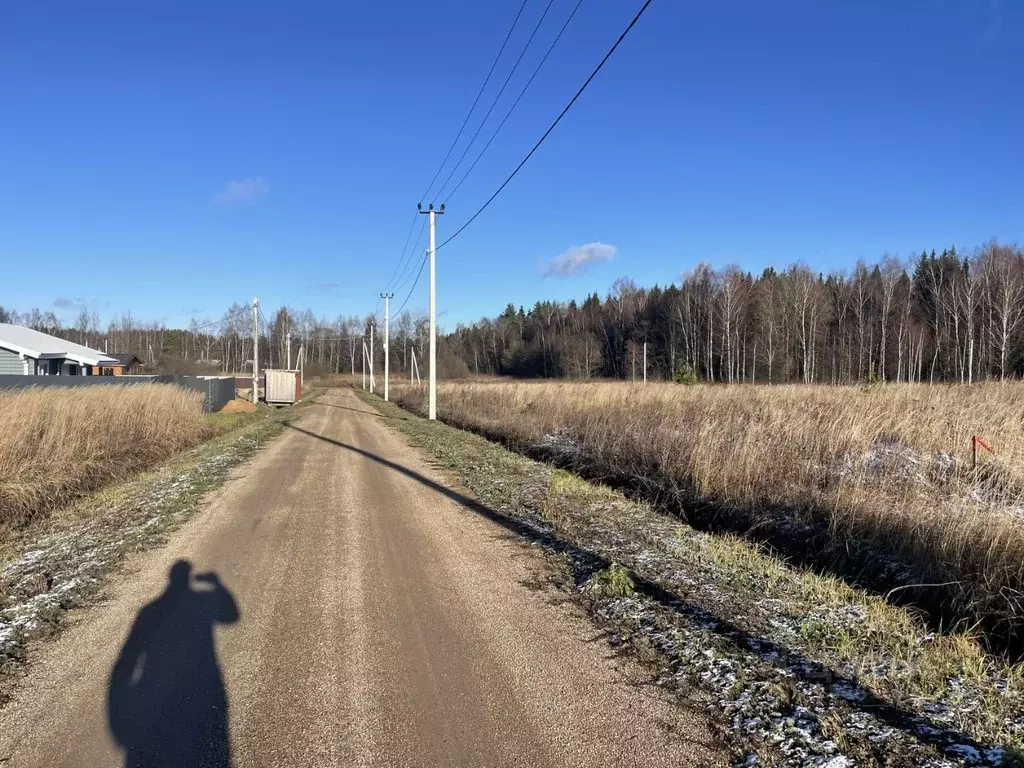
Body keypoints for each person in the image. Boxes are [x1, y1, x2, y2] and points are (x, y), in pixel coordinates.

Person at [108, 560, 240, 768]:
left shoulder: (148, 611)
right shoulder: (199, 599)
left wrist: (122, 704)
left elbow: (128, 657)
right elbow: (230, 616)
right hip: (204, 684)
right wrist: (217, 585)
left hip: (154, 691)